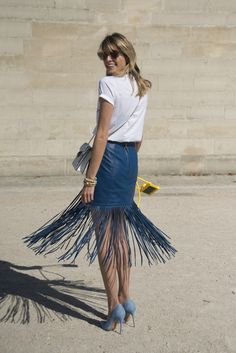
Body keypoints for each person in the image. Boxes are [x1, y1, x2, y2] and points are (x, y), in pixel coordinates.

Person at [24, 33, 177, 333]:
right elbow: (140, 135)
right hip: (131, 159)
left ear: (127, 55)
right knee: (120, 236)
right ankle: (127, 298)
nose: (108, 59)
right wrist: (125, 164)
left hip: (108, 161)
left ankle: (113, 308)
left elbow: (103, 135)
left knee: (106, 239)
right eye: (104, 55)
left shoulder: (108, 84)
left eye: (114, 53)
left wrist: (90, 178)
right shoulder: (140, 85)